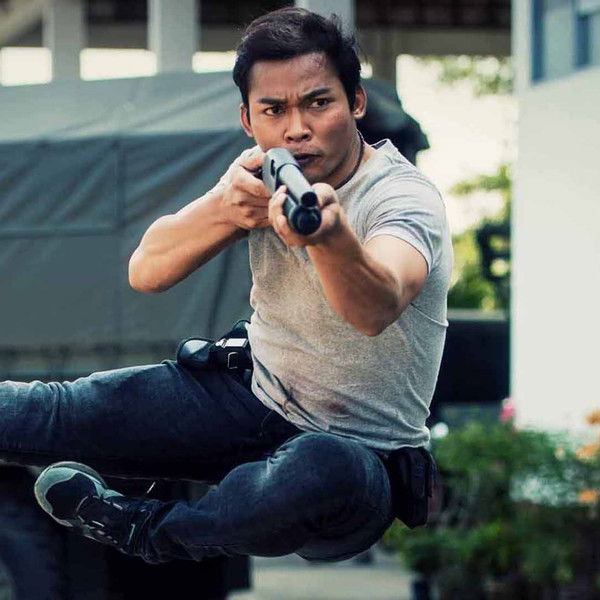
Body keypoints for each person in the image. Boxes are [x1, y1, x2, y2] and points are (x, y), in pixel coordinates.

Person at [3, 7, 452, 565]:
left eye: (318, 103)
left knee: (321, 467)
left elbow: (376, 306)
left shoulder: (402, 196)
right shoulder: (257, 172)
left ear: (355, 102)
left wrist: (329, 237)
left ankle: (146, 531)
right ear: (248, 119)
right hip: (250, 397)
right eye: (274, 110)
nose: (296, 128)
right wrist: (224, 210)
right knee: (43, 410)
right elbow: (146, 271)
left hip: (357, 459)